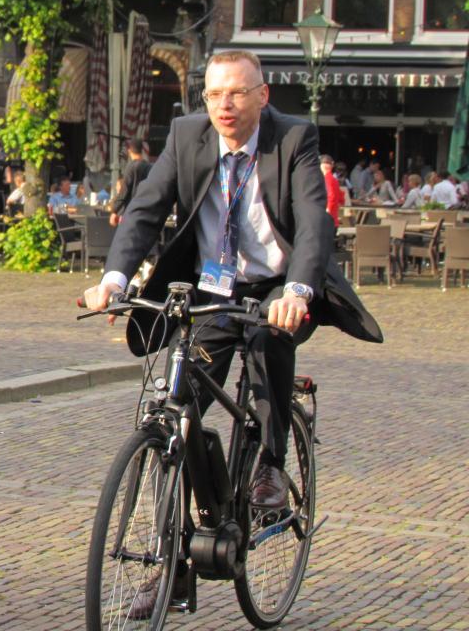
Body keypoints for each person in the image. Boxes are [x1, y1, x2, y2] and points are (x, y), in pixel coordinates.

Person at [82, 51, 382, 596]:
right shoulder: (186, 136)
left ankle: (270, 463)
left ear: (262, 96)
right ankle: (173, 563)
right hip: (215, 287)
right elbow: (146, 210)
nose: (225, 104)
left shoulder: (293, 139)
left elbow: (314, 221)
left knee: (271, 337)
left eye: (238, 93)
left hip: (277, 283)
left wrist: (297, 289)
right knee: (182, 408)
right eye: (215, 94)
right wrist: (115, 280)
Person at [109, 139, 152, 227]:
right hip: (145, 210)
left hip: (131, 212)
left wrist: (115, 210)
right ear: (141, 150)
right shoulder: (149, 167)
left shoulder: (131, 167)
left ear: (129, 151)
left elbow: (124, 191)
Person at [320, 154, 342, 226]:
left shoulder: (327, 179)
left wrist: (328, 209)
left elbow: (331, 195)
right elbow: (341, 198)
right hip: (334, 218)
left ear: (323, 165)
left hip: (328, 218)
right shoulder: (334, 180)